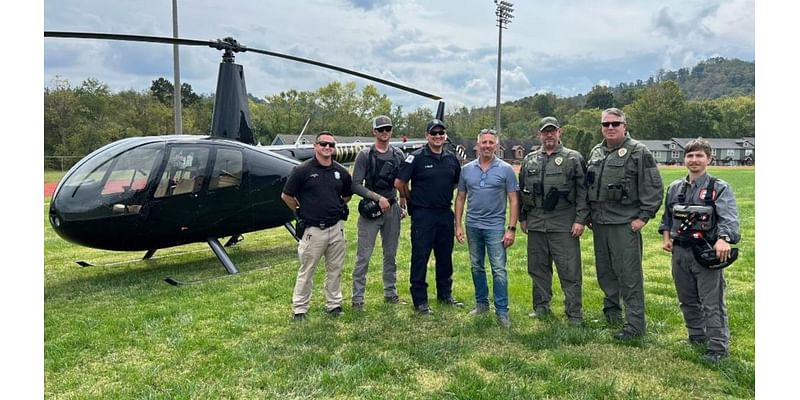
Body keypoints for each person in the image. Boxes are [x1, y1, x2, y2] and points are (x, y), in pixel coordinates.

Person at [659, 138, 740, 363]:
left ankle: (717, 347)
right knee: (687, 298)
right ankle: (696, 336)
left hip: (706, 253)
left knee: (711, 302)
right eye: (690, 156)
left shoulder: (719, 187)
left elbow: (729, 217)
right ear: (685, 159)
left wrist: (724, 239)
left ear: (708, 159)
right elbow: (667, 217)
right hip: (680, 252)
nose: (694, 160)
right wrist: (667, 237)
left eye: (699, 156)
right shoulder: (675, 188)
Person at [586, 107, 663, 340]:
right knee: (605, 271)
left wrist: (643, 217)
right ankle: (611, 311)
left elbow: (653, 186)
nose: (610, 128)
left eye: (615, 124)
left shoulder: (638, 152)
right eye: (605, 124)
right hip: (600, 223)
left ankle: (635, 325)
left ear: (624, 126)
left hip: (624, 223)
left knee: (629, 275)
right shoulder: (596, 152)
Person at [518, 117, 588, 326]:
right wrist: (523, 217)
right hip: (537, 222)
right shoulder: (529, 159)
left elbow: (584, 192)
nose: (549, 135)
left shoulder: (573, 158)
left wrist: (580, 219)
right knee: (538, 268)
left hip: (564, 223)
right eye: (545, 132)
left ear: (560, 132)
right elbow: (522, 190)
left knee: (569, 269)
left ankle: (574, 313)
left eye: (552, 131)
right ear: (539, 134)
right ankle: (541, 307)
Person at [281, 131, 353, 321]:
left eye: (331, 145)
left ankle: (334, 305)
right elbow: (286, 196)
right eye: (323, 144)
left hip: (336, 228)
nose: (327, 148)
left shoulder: (341, 172)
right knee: (307, 271)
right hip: (313, 230)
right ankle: (300, 309)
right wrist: (300, 209)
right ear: (315, 146)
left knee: (335, 270)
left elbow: (347, 195)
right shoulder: (302, 171)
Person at [395, 118, 463, 315]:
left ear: (445, 136)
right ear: (427, 136)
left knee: (445, 256)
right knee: (420, 257)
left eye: (441, 133)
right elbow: (399, 182)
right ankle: (420, 301)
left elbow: (456, 182)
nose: (438, 137)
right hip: (423, 214)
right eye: (434, 133)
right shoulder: (416, 158)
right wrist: (409, 199)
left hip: (444, 213)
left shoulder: (451, 159)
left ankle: (445, 294)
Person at [454, 129, 519, 327]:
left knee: (499, 269)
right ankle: (481, 304)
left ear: (497, 146)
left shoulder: (506, 169)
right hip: (473, 225)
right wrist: (458, 225)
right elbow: (460, 198)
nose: (487, 146)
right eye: (484, 142)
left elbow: (514, 200)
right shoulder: (467, 170)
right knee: (476, 266)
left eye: (491, 142)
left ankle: (502, 311)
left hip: (495, 227)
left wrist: (511, 228)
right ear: (477, 145)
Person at [351, 115, 408, 311]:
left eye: (388, 129)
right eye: (381, 129)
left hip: (392, 209)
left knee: (390, 254)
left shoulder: (398, 154)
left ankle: (390, 293)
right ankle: (357, 299)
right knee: (363, 256)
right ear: (374, 131)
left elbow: (402, 181)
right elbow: (355, 184)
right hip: (371, 211)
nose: (385, 132)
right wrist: (377, 198)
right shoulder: (365, 155)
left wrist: (402, 203)